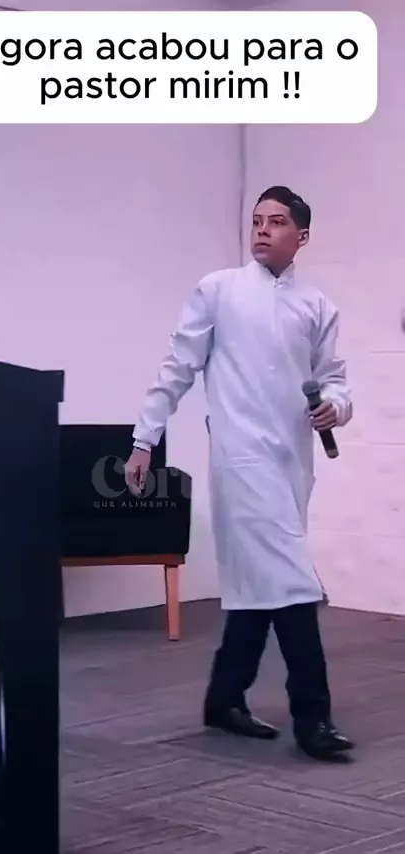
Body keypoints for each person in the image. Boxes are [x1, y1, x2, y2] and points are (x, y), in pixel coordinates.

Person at [125, 186, 354, 761]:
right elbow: (176, 367)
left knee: (258, 589)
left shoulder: (317, 307)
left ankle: (223, 700)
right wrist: (144, 440)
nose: (262, 230)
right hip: (241, 460)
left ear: (301, 235)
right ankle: (313, 719)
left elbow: (335, 380)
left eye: (276, 222)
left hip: (292, 465)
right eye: (256, 221)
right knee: (295, 583)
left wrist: (335, 407)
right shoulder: (218, 290)